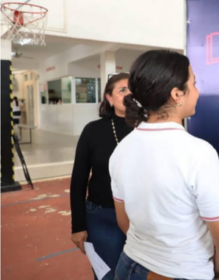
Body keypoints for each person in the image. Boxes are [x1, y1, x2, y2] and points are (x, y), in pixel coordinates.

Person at [110, 50, 219, 280]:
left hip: (128, 265)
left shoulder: (121, 149)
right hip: (182, 271)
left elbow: (123, 221)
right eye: (195, 84)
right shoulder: (199, 153)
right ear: (177, 94)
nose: (198, 92)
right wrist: (215, 273)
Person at [70, 73, 133, 280]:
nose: (129, 94)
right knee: (108, 275)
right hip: (103, 215)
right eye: (122, 90)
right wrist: (78, 225)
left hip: (142, 216)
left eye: (133, 89)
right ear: (109, 97)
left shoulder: (148, 128)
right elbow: (78, 179)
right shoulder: (93, 130)